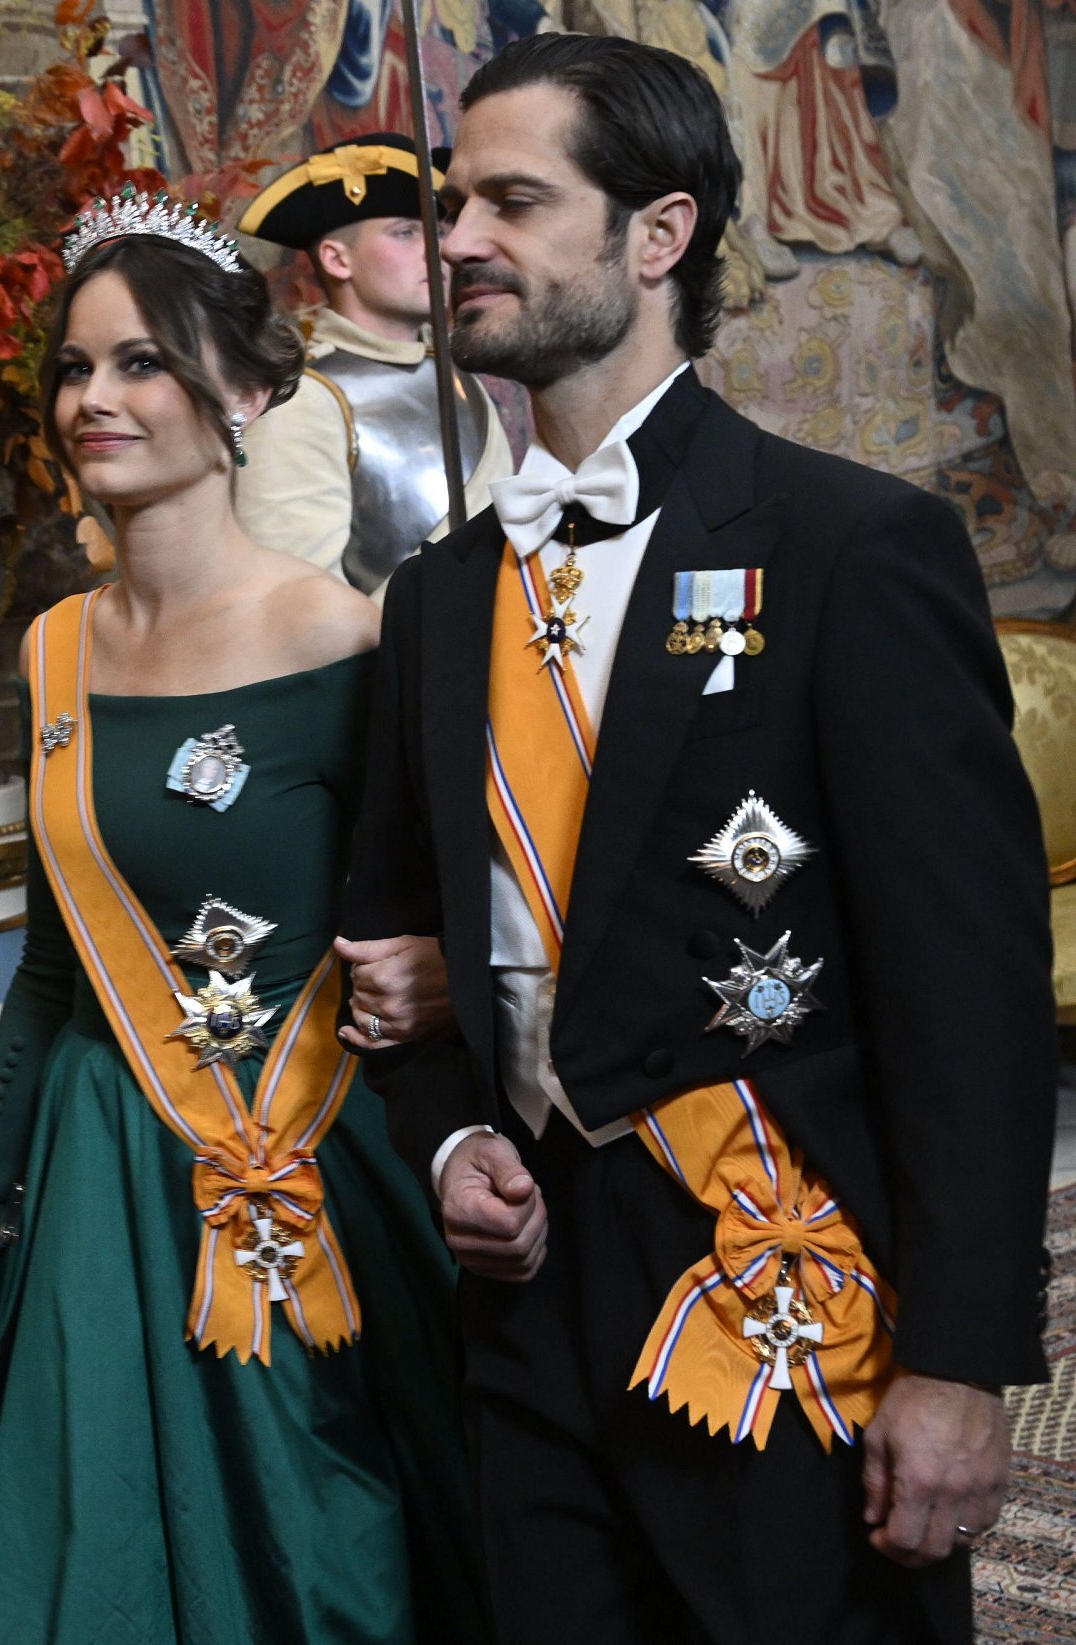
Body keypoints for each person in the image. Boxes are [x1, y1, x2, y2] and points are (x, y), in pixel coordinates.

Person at [340, 33, 1057, 1645]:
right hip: (528, 1309)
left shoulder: (852, 546)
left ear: (658, 234)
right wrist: (449, 1145)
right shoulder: (440, 598)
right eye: (454, 204)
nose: (458, 240)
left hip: (781, 1277)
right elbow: (396, 943)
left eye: (515, 201)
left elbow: (971, 996)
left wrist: (959, 1362)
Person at [0, 194, 487, 1645]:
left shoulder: (345, 636)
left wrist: (443, 986)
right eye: (75, 367)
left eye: (142, 361)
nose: (95, 398)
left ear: (247, 392)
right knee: (92, 1558)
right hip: (106, 1172)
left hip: (319, 1161)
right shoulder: (50, 652)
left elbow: (450, 918)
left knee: (336, 1551)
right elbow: (54, 963)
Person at [234, 132, 513, 601]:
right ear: (337, 259)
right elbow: (300, 607)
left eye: (438, 232)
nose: (438, 250)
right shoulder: (302, 400)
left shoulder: (458, 376)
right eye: (406, 232)